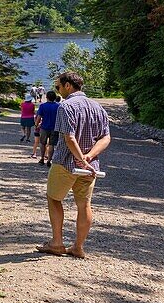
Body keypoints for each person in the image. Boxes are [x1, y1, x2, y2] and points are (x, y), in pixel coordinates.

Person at [37, 71, 111, 259]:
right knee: (84, 204)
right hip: (90, 167)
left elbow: (69, 137)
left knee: (54, 198)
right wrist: (89, 157)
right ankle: (78, 247)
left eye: (58, 86)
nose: (58, 90)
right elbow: (106, 137)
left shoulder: (66, 106)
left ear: (68, 85)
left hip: (65, 163)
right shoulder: (98, 107)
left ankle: (57, 243)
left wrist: (79, 158)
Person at [35, 90, 61, 165]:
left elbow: (39, 117)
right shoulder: (58, 106)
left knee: (42, 143)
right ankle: (49, 160)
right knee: (51, 144)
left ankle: (42, 158)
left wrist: (36, 125)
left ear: (46, 97)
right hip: (55, 128)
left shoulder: (43, 106)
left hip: (44, 127)